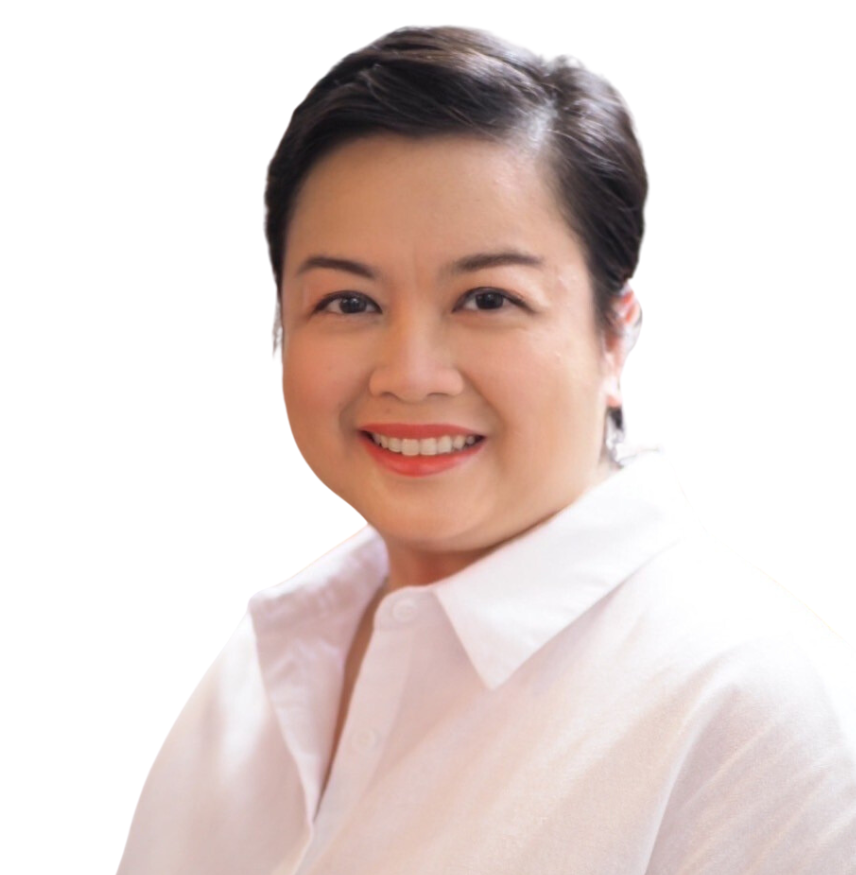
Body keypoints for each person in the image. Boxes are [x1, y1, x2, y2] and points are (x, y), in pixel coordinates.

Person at [116, 26, 856, 875]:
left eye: (488, 298)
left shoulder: (760, 717)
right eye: (349, 302)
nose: (409, 375)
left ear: (613, 336)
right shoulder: (260, 670)